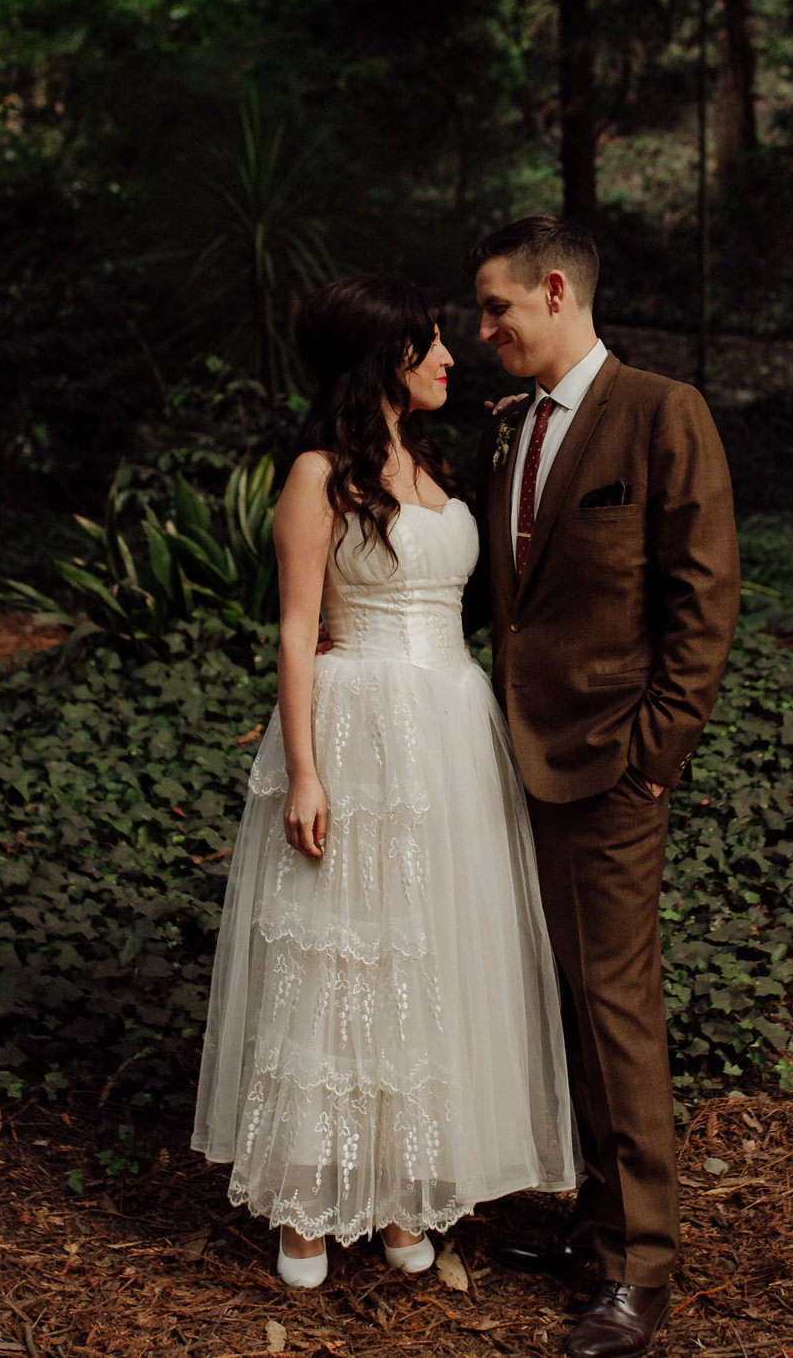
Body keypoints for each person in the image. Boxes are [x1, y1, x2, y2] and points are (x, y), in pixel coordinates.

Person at [191, 275, 576, 1289]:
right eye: (430, 343)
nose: (452, 355)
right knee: (343, 954)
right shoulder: (318, 472)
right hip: (360, 722)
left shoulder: (439, 459)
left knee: (429, 955)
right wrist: (306, 771)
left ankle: (405, 1189)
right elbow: (293, 623)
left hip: (453, 723)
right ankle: (310, 1208)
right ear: (381, 360)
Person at [466, 217, 741, 1358]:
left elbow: (704, 595)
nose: (483, 332)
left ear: (556, 287)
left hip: (610, 765)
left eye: (496, 308)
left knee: (617, 1005)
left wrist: (654, 749)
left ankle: (640, 1266)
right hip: (511, 758)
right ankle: (591, 1213)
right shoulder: (507, 428)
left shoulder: (662, 410)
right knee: (560, 994)